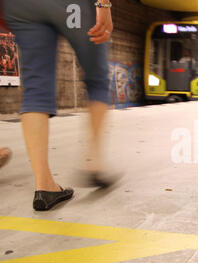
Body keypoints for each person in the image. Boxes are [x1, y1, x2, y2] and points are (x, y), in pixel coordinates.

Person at [3, 0, 116, 211]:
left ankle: (44, 185)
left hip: (20, 6)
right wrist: (103, 4)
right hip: (72, 5)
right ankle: (93, 162)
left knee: (35, 87)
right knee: (97, 79)